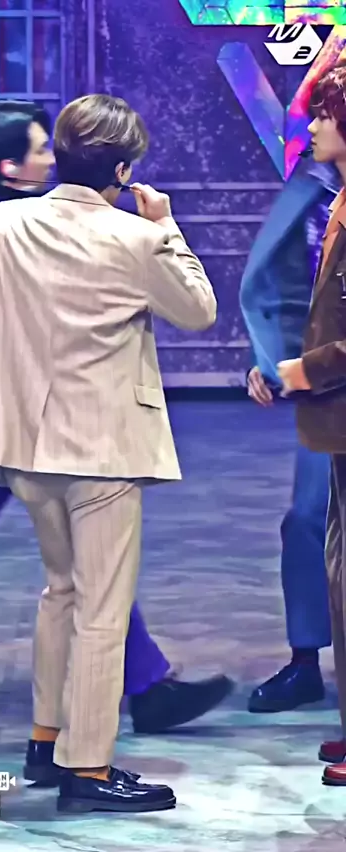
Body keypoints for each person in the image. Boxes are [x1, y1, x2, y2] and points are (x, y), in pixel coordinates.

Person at [0, 100, 232, 767]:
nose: (47, 158)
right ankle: (86, 758)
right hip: (62, 428)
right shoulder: (95, 231)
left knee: (59, 577)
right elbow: (195, 309)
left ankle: (117, 699)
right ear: (10, 167)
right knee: (85, 578)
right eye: (38, 149)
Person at [240, 155, 335, 713]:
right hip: (329, 388)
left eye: (323, 116)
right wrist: (273, 360)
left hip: (327, 371)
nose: (310, 128)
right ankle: (305, 661)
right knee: (307, 520)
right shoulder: (314, 185)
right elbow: (290, 285)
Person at [278, 63, 346, 786]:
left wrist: (304, 371)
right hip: (335, 415)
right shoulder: (335, 200)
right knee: (336, 561)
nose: (313, 125)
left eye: (325, 116)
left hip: (335, 395)